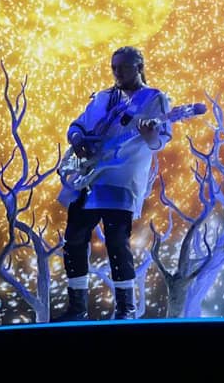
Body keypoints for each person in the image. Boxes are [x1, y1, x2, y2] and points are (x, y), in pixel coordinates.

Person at [55, 46, 172, 321]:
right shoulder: (104, 97)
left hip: (121, 180)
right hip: (88, 179)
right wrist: (77, 140)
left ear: (139, 67)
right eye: (114, 67)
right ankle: (77, 308)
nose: (117, 73)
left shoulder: (154, 99)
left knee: (117, 242)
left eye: (123, 67)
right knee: (74, 239)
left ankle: (125, 309)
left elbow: (160, 141)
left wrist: (149, 135)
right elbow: (77, 125)